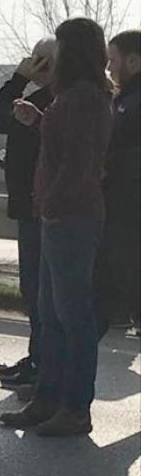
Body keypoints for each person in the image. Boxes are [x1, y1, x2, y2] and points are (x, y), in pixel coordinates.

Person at [0, 17, 113, 437]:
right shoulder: (73, 96)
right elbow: (64, 141)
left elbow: (79, 163)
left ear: (74, 52)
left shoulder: (85, 97)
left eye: (60, 47)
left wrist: (52, 203)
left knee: (72, 316)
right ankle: (47, 398)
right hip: (59, 216)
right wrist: (39, 119)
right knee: (50, 314)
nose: (54, 56)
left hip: (72, 218)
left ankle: (75, 408)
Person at [0, 36, 56, 388]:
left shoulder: (50, 102)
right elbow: (0, 122)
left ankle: (42, 364)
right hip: (30, 203)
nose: (32, 63)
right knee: (35, 290)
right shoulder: (43, 98)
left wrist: (18, 79)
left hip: (38, 206)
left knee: (40, 291)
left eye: (38, 59)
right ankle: (37, 358)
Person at [96, 29, 141, 338]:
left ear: (133, 62)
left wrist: (108, 163)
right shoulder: (123, 99)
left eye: (113, 60)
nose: (109, 68)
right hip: (118, 201)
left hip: (129, 204)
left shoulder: (134, 102)